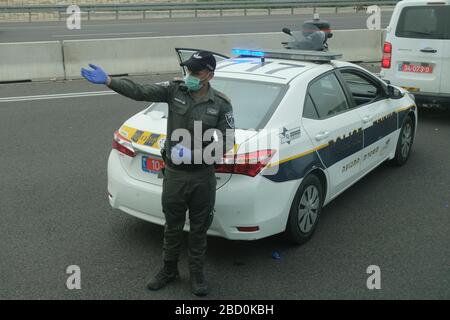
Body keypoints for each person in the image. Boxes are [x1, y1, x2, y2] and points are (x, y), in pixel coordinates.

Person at [80, 51, 235, 297]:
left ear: (210, 75)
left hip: (202, 177)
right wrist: (109, 81)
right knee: (172, 226)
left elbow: (227, 142)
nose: (190, 75)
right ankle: (169, 270)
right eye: (189, 70)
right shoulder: (175, 90)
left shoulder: (221, 104)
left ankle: (197, 275)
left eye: (196, 72)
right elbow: (140, 92)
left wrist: (198, 155)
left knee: (198, 229)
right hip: (174, 175)